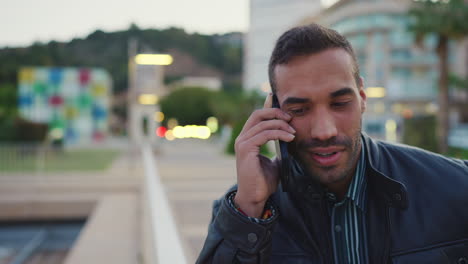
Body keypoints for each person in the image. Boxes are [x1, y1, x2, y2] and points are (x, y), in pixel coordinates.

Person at [196, 23, 468, 263]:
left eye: (339, 103)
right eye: (299, 109)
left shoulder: (456, 187)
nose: (324, 131)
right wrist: (250, 210)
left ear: (362, 96)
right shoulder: (241, 212)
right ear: (274, 109)